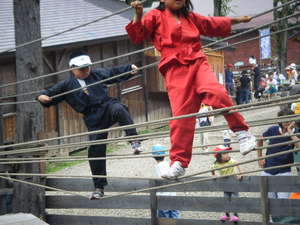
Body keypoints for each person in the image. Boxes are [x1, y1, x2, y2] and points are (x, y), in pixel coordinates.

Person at [126, 0, 256, 179]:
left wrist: (238, 20)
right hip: (174, 68)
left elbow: (212, 24)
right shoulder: (155, 16)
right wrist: (139, 14)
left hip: (196, 61)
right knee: (181, 116)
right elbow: (138, 35)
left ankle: (243, 132)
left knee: (217, 92)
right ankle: (179, 162)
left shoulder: (191, 17)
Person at [37, 52, 142, 199]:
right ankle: (99, 187)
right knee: (95, 150)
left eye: (87, 68)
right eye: (81, 69)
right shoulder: (67, 85)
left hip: (107, 106)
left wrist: (129, 69)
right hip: (92, 118)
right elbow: (48, 95)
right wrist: (42, 97)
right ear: (72, 69)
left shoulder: (96, 74)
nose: (86, 71)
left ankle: (135, 141)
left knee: (120, 109)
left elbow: (113, 72)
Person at [257, 108, 300, 200]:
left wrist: (289, 131)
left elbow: (299, 145)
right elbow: (260, 140)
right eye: (284, 120)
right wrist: (260, 158)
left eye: (289, 120)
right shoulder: (273, 130)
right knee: (268, 200)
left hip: (284, 171)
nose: (286, 122)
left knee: (283, 201)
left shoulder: (296, 132)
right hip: (268, 168)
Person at [211, 145, 242, 223]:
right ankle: (227, 216)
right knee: (226, 200)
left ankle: (235, 216)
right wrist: (213, 175)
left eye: (227, 153)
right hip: (225, 185)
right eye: (225, 153)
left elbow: (237, 165)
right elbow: (212, 168)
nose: (227, 154)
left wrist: (240, 174)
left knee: (235, 199)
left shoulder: (231, 161)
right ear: (219, 156)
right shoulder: (217, 164)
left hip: (233, 184)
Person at [152, 144, 181, 222]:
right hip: (173, 195)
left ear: (153, 157)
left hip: (163, 197)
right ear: (164, 155)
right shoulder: (169, 164)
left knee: (165, 218)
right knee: (175, 215)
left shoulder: (157, 166)